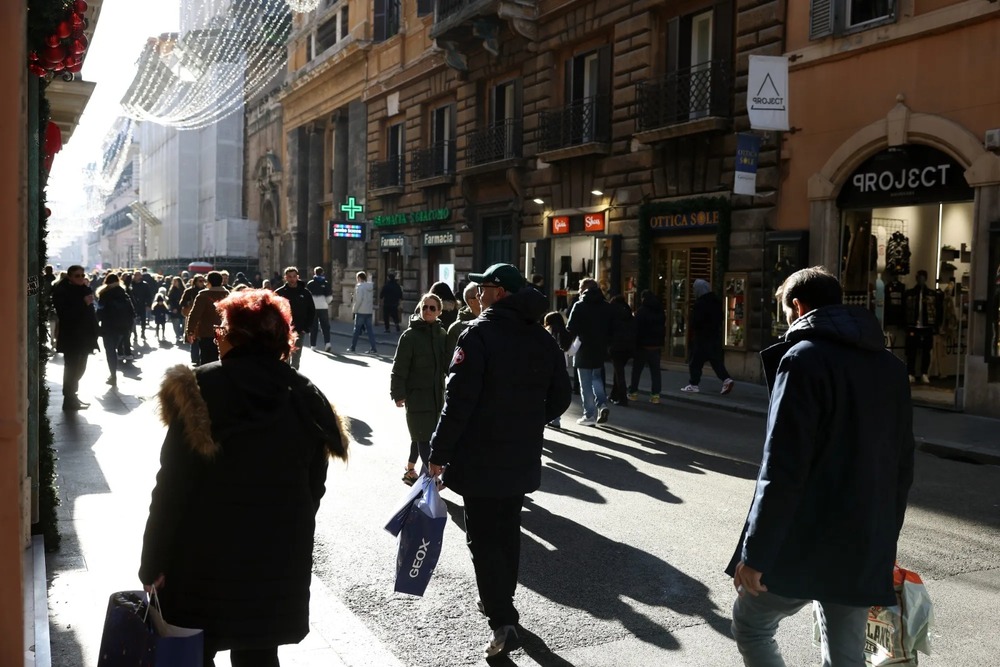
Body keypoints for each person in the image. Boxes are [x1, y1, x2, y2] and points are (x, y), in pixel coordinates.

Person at [140, 288, 350, 667]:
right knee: (258, 650)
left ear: (237, 337)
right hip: (273, 557)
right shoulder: (305, 395)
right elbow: (313, 488)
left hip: (201, 556)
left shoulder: (198, 388)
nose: (218, 337)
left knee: (194, 649)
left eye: (222, 330)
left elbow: (171, 487)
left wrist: (152, 559)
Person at [726, 267, 915, 666]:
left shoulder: (802, 359)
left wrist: (756, 554)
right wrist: (884, 542)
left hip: (805, 537)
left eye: (786, 313)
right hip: (863, 540)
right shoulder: (890, 367)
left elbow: (783, 466)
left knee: (752, 624)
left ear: (797, 306)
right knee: (846, 656)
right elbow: (902, 465)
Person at [428, 263, 571, 658]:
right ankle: (501, 603)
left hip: (479, 456)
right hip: (519, 454)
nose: (477, 291)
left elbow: (457, 402)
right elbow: (561, 396)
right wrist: (528, 421)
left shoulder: (478, 335)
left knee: (483, 538)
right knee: (507, 533)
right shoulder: (542, 339)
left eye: (483, 286)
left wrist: (437, 454)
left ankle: (501, 618)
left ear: (500, 293)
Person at [390, 293, 447, 485]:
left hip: (437, 399)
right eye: (424, 307)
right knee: (423, 438)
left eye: (432, 308)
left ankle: (410, 470)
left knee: (422, 435)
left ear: (439, 311)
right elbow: (399, 368)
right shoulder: (409, 336)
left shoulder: (442, 335)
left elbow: (448, 366)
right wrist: (398, 394)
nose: (428, 311)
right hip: (417, 398)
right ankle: (432, 480)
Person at [566, 278, 613, 426]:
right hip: (599, 347)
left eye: (580, 287)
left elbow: (571, 327)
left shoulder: (579, 305)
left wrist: (567, 344)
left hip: (583, 346)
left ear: (585, 289)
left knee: (585, 383)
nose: (579, 290)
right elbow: (612, 326)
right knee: (596, 378)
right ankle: (602, 405)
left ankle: (589, 415)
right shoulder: (606, 306)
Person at [51, 265, 99, 410]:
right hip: (72, 336)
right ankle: (69, 399)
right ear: (70, 277)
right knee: (72, 368)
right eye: (77, 275)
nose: (81, 278)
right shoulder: (63, 291)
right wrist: (83, 302)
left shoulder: (83, 289)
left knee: (81, 367)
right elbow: (65, 314)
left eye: (82, 275)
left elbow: (90, 313)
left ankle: (73, 396)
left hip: (85, 336)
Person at [682, 279, 735, 395]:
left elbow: (696, 321)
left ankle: (693, 384)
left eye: (695, 289)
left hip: (701, 337)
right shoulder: (715, 301)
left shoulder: (700, 303)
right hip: (714, 336)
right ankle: (726, 379)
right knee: (715, 360)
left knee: (695, 362)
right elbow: (720, 318)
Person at [95, 273, 135, 388]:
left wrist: (95, 325)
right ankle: (113, 375)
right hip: (122, 328)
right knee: (115, 348)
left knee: (110, 351)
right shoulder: (124, 294)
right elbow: (131, 312)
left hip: (108, 327)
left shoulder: (104, 295)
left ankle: (113, 375)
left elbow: (99, 312)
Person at [628, 290, 666, 404]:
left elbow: (636, 328)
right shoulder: (660, 312)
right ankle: (655, 395)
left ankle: (633, 393)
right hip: (656, 346)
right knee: (655, 372)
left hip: (642, 346)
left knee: (637, 371)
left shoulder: (641, 311)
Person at [275, 266, 316, 370]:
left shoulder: (305, 293)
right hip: (284, 330)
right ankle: (285, 376)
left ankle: (294, 377)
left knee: (296, 356)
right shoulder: (279, 293)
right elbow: (273, 311)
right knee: (285, 355)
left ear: (297, 277)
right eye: (289, 277)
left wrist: (306, 327)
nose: (292, 279)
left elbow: (312, 311)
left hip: (299, 329)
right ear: (285, 278)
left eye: (294, 276)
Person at [186, 271, 229, 366]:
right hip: (223, 332)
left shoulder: (203, 296)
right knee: (223, 360)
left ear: (208, 282)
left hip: (207, 332)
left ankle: (207, 379)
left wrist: (190, 331)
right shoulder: (228, 295)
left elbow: (194, 315)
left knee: (207, 361)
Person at [542, 311, 575, 427]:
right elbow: (571, 351)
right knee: (557, 392)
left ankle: (545, 416)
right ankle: (556, 419)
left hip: (547, 365)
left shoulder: (546, 332)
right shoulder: (566, 333)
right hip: (562, 366)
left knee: (546, 393)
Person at [608, 295, 637, 406]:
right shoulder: (628, 313)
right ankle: (614, 394)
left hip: (616, 347)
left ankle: (622, 398)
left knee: (619, 373)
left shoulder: (612, 314)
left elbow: (609, 330)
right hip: (628, 347)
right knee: (618, 371)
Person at [445, 282, 481, 358]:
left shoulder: (489, 322)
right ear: (471, 302)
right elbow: (450, 359)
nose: (484, 297)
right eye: (479, 295)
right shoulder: (456, 328)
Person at [348, 271, 378, 354]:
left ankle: (352, 347)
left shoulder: (360, 287)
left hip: (361, 311)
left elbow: (359, 300)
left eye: (357, 278)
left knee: (356, 330)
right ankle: (373, 348)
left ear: (359, 278)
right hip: (368, 311)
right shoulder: (370, 287)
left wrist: (354, 310)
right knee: (370, 331)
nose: (357, 280)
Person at [305, 266, 333, 352]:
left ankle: (313, 345)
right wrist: (326, 303)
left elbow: (307, 297)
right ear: (322, 273)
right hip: (323, 307)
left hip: (313, 308)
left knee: (313, 327)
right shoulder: (326, 283)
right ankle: (327, 343)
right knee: (325, 326)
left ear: (314, 273)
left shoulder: (310, 283)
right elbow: (329, 297)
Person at [130, 269, 153, 341]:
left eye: (139, 275)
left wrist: (148, 304)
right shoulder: (131, 284)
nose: (138, 277)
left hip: (142, 304)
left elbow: (149, 295)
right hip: (133, 305)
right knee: (133, 321)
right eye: (136, 275)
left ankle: (143, 333)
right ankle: (135, 334)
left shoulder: (145, 284)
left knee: (143, 320)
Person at [167, 276, 186, 343]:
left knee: (184, 322)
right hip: (174, 308)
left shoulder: (184, 290)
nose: (174, 283)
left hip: (182, 308)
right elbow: (170, 300)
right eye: (173, 281)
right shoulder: (172, 290)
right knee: (176, 322)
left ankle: (182, 334)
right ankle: (177, 335)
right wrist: (173, 308)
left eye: (175, 281)